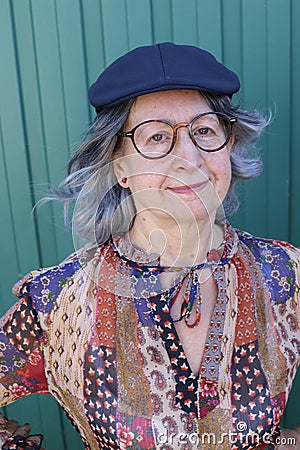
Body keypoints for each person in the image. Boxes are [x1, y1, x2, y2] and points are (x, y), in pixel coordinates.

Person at [0, 42, 299, 450]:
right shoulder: (57, 302)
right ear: (119, 166)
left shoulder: (286, 273)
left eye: (205, 131)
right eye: (157, 137)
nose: (189, 157)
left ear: (228, 144)